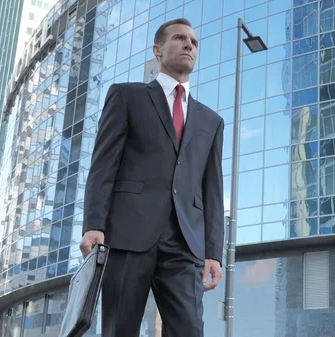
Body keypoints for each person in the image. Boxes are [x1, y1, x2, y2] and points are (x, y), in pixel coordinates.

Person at [79, 18, 225, 337]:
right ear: (158, 50)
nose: (189, 44)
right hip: (129, 234)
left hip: (185, 243)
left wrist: (214, 252)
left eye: (194, 42)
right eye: (179, 38)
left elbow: (212, 190)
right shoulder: (126, 97)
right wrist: (94, 223)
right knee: (120, 329)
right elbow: (103, 166)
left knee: (190, 329)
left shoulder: (211, 121)